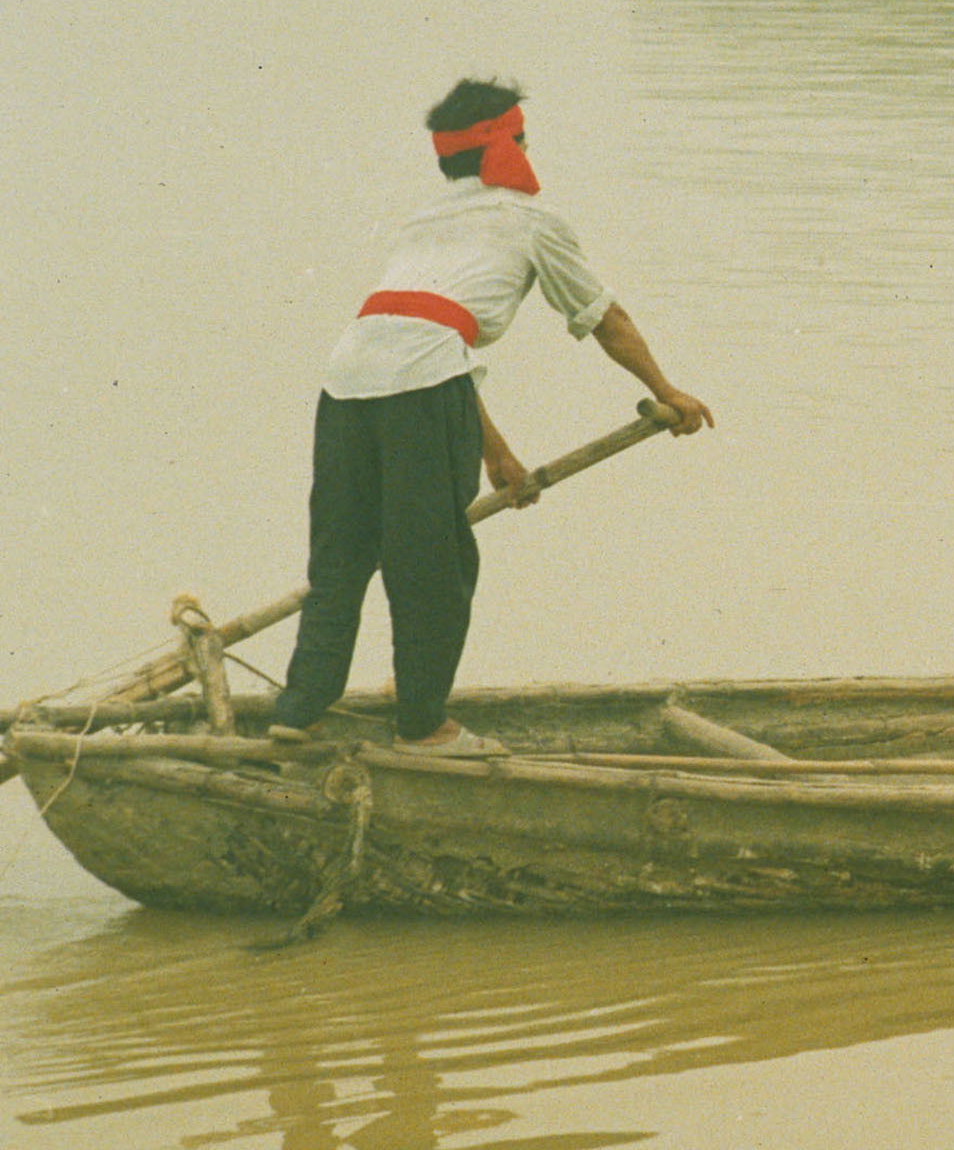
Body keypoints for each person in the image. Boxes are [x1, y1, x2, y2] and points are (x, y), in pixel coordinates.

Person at [267, 78, 713, 755]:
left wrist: (493, 453)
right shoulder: (532, 220)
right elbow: (604, 319)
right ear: (511, 146)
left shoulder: (422, 221)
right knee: (433, 564)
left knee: (343, 558)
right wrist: (668, 389)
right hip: (421, 386)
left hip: (346, 382)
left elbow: (429, 337)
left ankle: (298, 710)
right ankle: (422, 725)